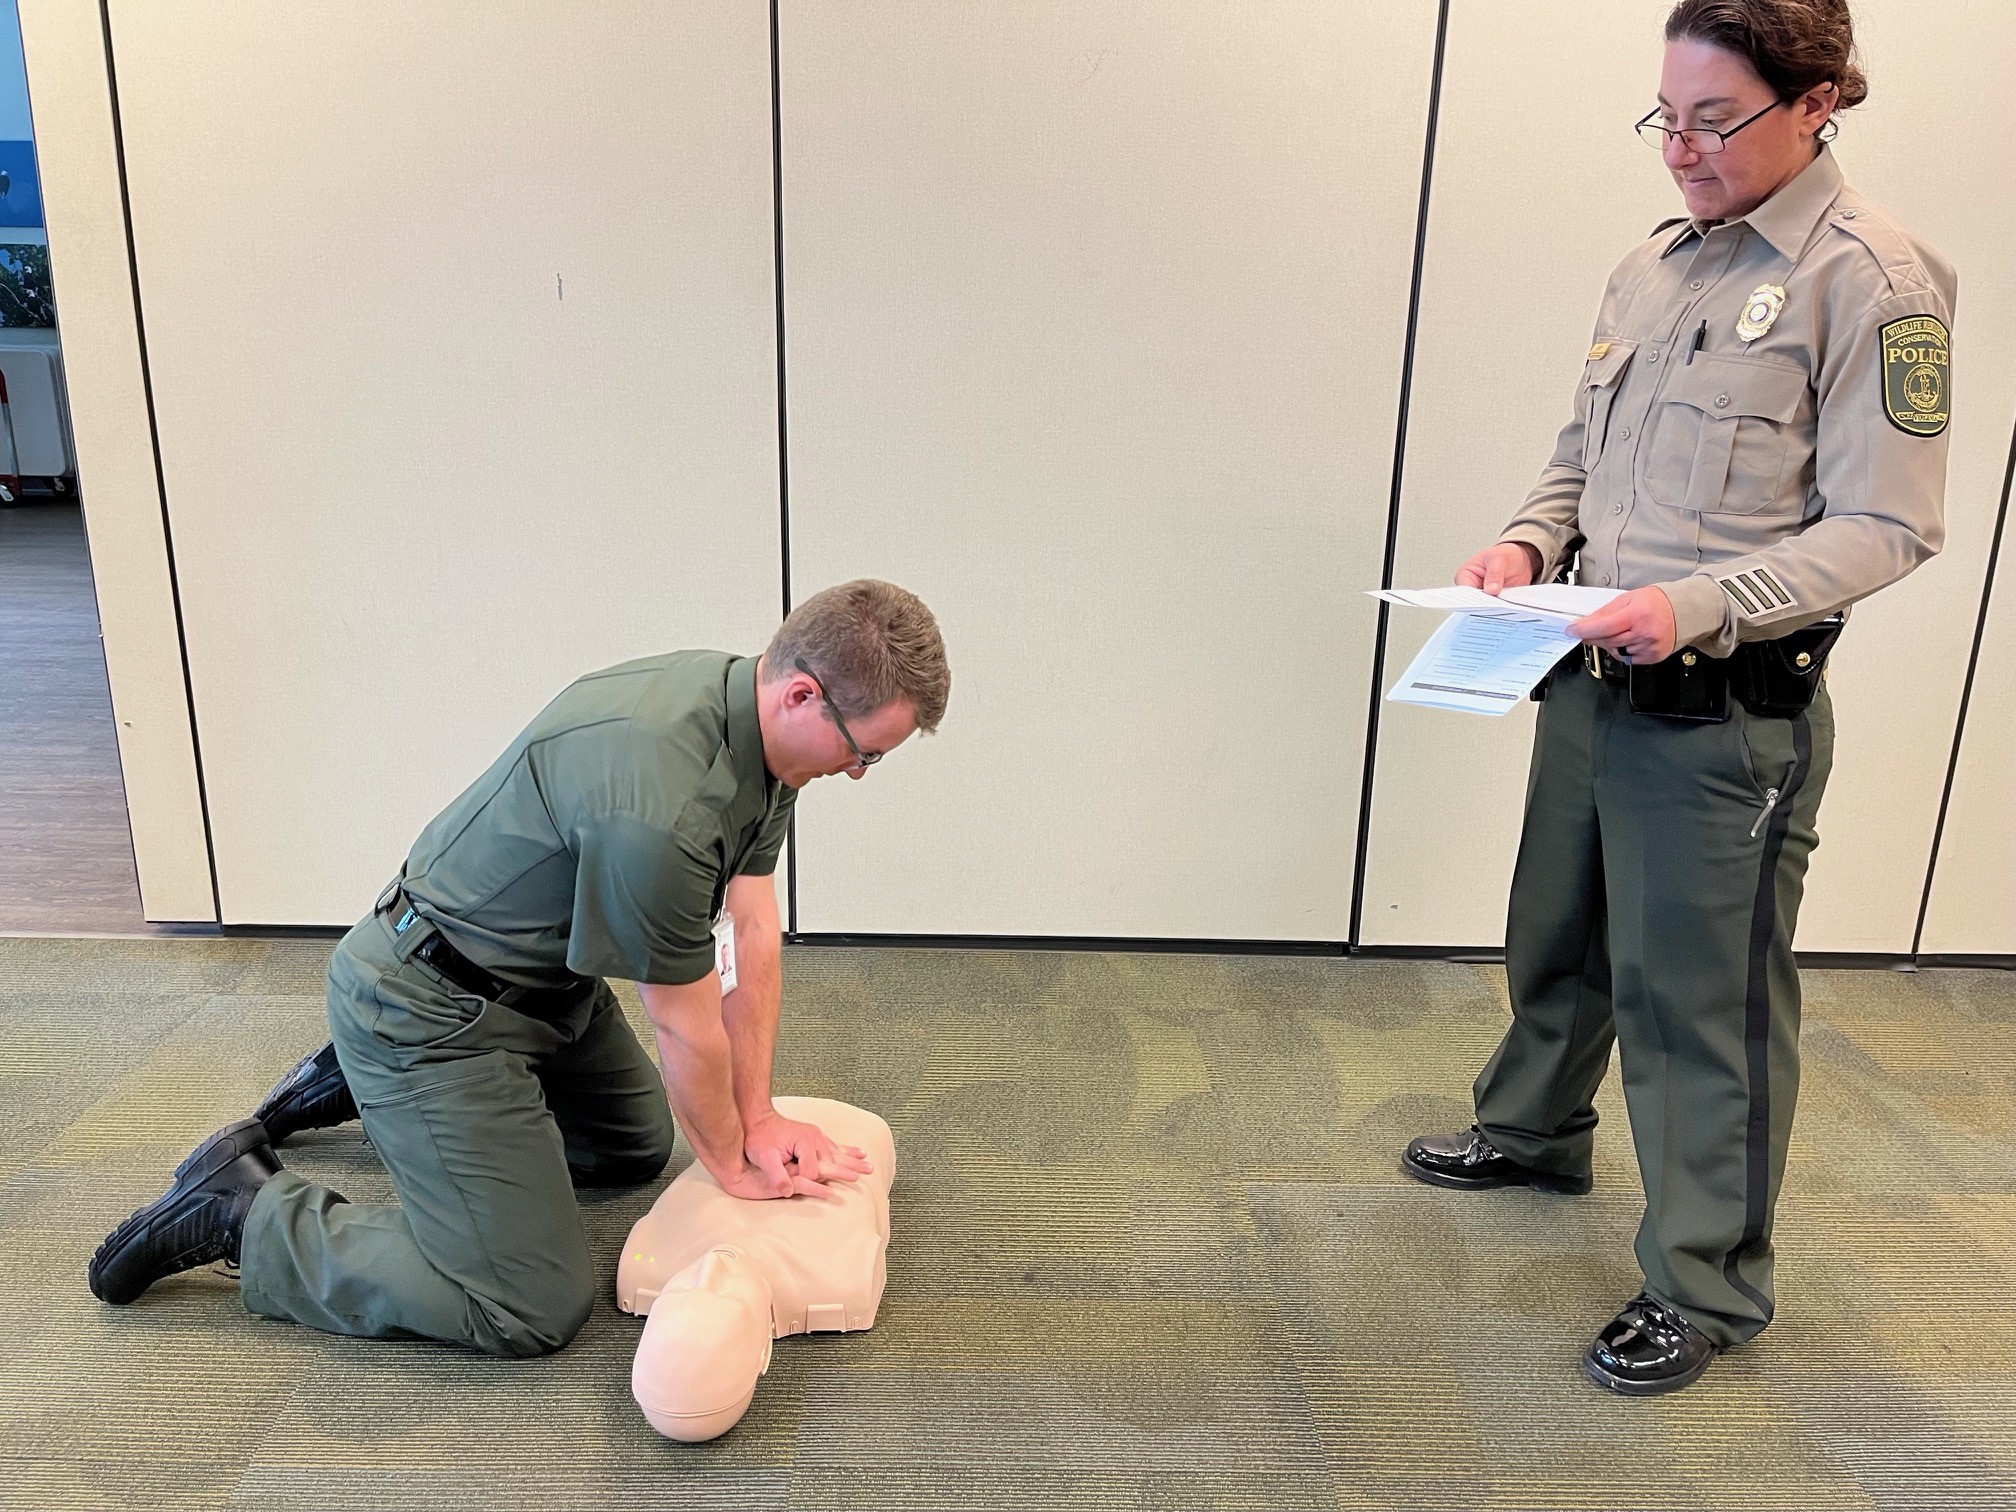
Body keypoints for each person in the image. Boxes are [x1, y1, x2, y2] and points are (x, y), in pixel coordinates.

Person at [1402, 0, 1954, 1395]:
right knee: (1559, 932)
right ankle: (1534, 1131)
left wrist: (1697, 604)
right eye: (1668, 117)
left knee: (1700, 1007)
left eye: (1717, 121)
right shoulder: (1654, 268)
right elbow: (1578, 455)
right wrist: (1528, 543)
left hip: (1727, 716)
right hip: (1592, 678)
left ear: (1818, 102)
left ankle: (1704, 1284)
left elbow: (1890, 527)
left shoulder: (1874, 283)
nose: (1682, 150)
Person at [88, 580, 950, 1360]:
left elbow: (751, 925)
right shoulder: (665, 807)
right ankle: (245, 1213)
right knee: (529, 1300)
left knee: (634, 1146)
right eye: (863, 753)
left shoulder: (756, 727)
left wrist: (755, 1116)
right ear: (803, 693)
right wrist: (732, 1162)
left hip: (542, 992)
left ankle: (377, 1093)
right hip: (427, 1007)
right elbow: (685, 1024)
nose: (856, 772)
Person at [621, 1095, 897, 1441]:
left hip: (743, 1129)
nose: (711, 1267)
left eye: (679, 1292)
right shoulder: (843, 1274)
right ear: (763, 1355)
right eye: (726, 1296)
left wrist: (759, 1121)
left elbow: (688, 1063)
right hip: (859, 1129)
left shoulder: (646, 1260)